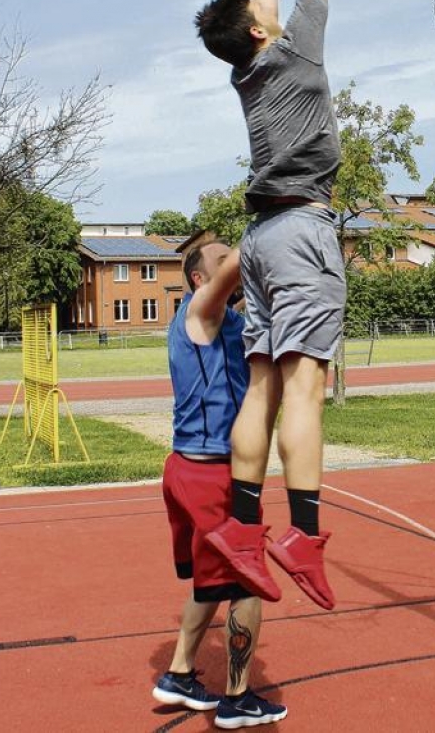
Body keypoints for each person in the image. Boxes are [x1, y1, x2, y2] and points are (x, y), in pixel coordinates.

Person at [195, 0, 345, 611]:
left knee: (261, 382)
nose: (271, 4)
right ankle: (304, 534)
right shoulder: (296, 56)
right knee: (305, 389)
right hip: (301, 235)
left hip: (256, 242)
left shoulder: (249, 73)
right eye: (263, 8)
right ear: (259, 30)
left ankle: (246, 526)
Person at [153, 237, 287, 728]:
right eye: (222, 257)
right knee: (246, 581)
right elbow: (239, 270)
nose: (233, 259)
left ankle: (179, 675)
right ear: (199, 279)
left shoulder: (228, 317)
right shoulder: (199, 312)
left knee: (211, 584)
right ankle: (237, 697)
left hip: (194, 469)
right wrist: (279, 222)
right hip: (210, 473)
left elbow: (262, 296)